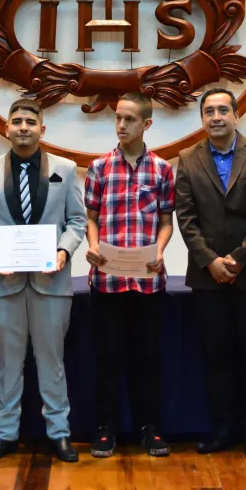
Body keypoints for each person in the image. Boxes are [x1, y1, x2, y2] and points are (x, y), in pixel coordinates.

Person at [0, 98, 87, 463]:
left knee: (52, 362)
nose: (23, 126)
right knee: (7, 364)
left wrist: (64, 251)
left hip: (51, 282)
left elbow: (77, 221)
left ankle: (59, 433)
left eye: (30, 121)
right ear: (6, 127)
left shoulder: (65, 169)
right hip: (3, 283)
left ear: (42, 129)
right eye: (17, 120)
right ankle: (5, 434)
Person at [174, 88, 246, 457]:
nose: (216, 117)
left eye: (222, 110)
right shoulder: (187, 158)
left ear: (236, 115)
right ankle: (222, 428)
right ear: (202, 119)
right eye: (209, 111)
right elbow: (185, 217)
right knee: (217, 356)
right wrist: (211, 261)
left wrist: (239, 259)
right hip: (208, 276)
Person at [84, 92, 175, 458]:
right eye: (118, 118)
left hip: (148, 281)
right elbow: (91, 218)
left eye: (130, 119)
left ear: (147, 124)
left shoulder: (162, 169)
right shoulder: (99, 167)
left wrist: (161, 249)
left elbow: (166, 222)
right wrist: (93, 246)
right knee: (107, 358)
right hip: (107, 281)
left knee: (148, 359)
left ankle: (150, 428)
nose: (121, 125)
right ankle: (105, 428)